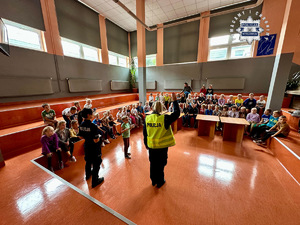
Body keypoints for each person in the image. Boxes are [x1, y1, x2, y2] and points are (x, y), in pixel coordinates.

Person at [143, 92, 180, 188]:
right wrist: (175, 100)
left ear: (153, 108)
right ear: (162, 108)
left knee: (153, 164)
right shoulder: (165, 118)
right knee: (161, 164)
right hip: (162, 147)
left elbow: (145, 133)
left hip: (151, 146)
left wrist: (146, 144)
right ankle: (160, 181)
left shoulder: (147, 118)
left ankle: (153, 181)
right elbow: (177, 113)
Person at [78, 108, 104, 188]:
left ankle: (88, 175)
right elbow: (96, 140)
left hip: (87, 146)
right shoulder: (93, 126)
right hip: (94, 148)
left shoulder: (81, 124)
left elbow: (80, 136)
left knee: (88, 161)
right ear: (89, 115)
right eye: (92, 113)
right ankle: (95, 181)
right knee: (97, 162)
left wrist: (87, 137)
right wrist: (100, 137)